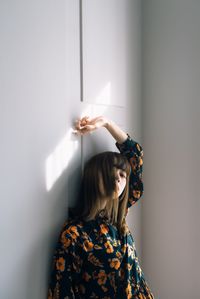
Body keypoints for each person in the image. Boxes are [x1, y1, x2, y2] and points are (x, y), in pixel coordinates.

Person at [47, 116, 154, 299]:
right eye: (112, 172)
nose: (119, 179)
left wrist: (106, 123)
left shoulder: (118, 218)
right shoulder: (74, 235)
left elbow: (135, 155)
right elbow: (62, 291)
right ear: (95, 176)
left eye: (123, 174)